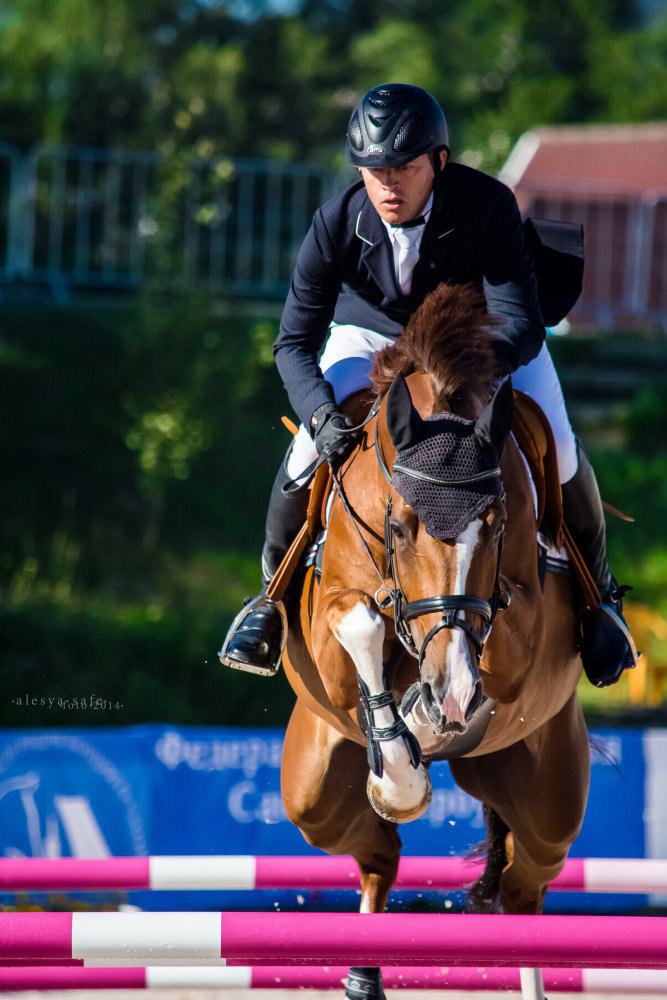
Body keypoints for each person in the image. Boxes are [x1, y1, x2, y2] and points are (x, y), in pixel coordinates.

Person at [219, 82, 636, 687]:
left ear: (439, 162)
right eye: (373, 169)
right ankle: (269, 602)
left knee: (564, 448)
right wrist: (320, 414)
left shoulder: (486, 205)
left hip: (480, 340)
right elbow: (292, 345)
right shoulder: (335, 223)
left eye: (403, 167)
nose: (387, 184)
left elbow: (520, 320)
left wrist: (467, 373)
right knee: (304, 453)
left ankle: (601, 603)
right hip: (373, 339)